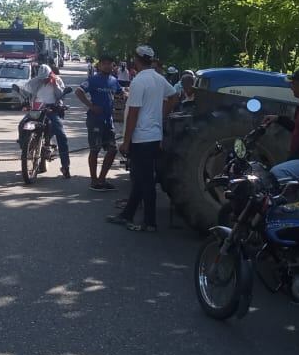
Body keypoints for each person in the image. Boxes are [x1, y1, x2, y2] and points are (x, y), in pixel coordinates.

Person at [106, 45, 178, 232]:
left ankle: (150, 222)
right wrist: (161, 115)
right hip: (153, 136)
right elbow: (174, 96)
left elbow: (133, 113)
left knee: (145, 180)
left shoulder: (139, 81)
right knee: (140, 178)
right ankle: (127, 214)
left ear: (136, 60)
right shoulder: (159, 79)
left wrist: (126, 141)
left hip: (141, 138)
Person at [76, 54, 123, 191]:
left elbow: (121, 92)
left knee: (112, 150)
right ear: (100, 65)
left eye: (110, 64)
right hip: (95, 120)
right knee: (95, 150)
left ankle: (102, 179)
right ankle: (94, 180)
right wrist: (91, 106)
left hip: (109, 121)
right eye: (104, 63)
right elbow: (79, 91)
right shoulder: (93, 79)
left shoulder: (114, 81)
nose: (107, 66)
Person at [16, 63, 71, 177]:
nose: (44, 80)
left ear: (50, 74)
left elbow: (62, 96)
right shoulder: (34, 82)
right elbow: (25, 92)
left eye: (46, 78)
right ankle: (25, 149)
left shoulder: (57, 81)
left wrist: (55, 85)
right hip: (36, 111)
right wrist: (23, 100)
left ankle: (65, 166)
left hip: (51, 110)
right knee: (22, 125)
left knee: (61, 135)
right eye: (42, 79)